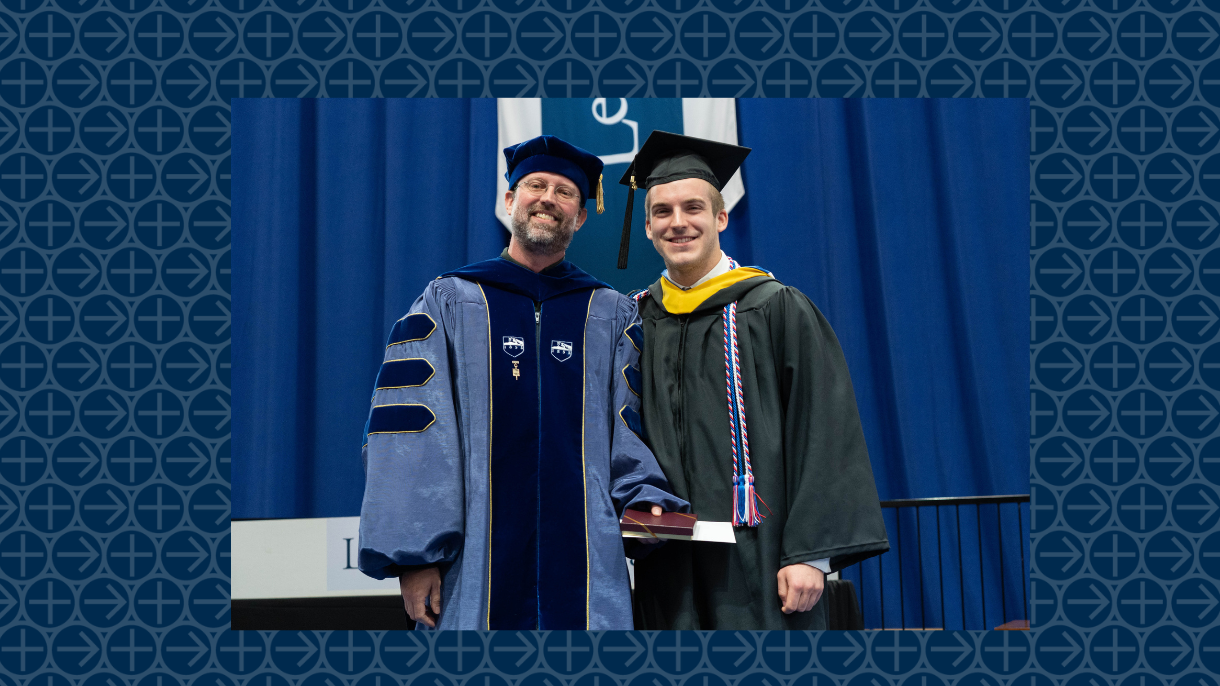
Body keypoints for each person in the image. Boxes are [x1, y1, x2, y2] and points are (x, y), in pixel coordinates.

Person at [357, 135, 686, 630]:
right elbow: (411, 430)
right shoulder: (449, 301)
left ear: (580, 216)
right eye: (535, 185)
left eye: (565, 191)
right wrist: (416, 556)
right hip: (473, 563)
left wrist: (645, 502)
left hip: (587, 566)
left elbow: (632, 425)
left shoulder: (611, 314)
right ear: (510, 201)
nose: (548, 198)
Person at [619, 131, 889, 629]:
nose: (679, 223)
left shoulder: (775, 308)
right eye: (662, 212)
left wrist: (812, 554)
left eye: (694, 208)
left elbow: (825, 429)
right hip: (668, 563)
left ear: (721, 217)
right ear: (649, 230)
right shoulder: (634, 323)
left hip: (763, 559)